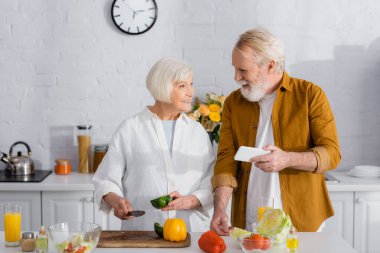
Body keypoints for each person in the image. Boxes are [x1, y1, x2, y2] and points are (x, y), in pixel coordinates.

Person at [210, 27, 341, 234]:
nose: (236, 77)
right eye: (235, 69)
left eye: (243, 70)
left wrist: (287, 159)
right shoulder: (233, 103)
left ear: (270, 65)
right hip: (249, 219)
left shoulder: (310, 95)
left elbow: (332, 154)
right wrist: (219, 208)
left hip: (301, 220)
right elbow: (226, 159)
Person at [93, 57, 215, 232]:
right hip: (141, 233)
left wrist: (193, 200)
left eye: (191, 84)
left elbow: (211, 180)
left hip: (189, 233)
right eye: (182, 86)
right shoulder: (130, 128)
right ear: (163, 87)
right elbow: (105, 179)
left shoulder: (197, 132)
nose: (191, 92)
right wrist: (115, 201)